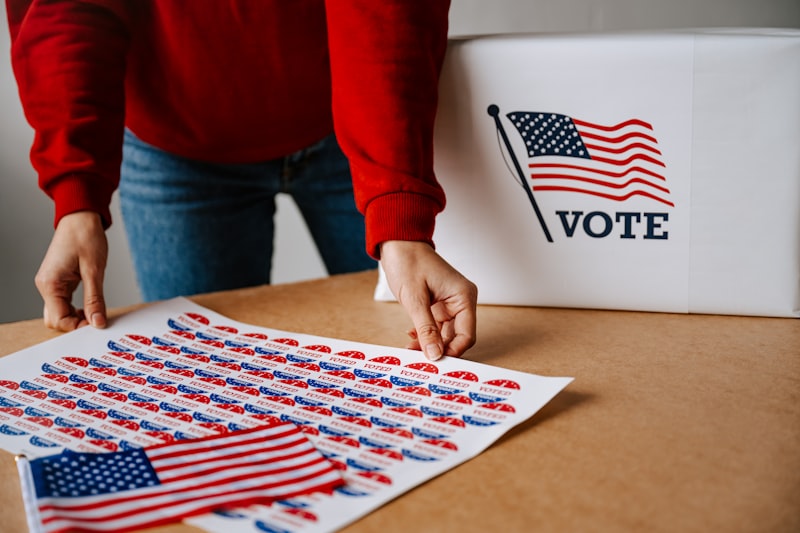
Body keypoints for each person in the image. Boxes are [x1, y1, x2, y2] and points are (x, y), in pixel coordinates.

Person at [7, 0, 477, 361]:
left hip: (357, 121)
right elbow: (68, 10)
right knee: (198, 381)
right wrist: (77, 196)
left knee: (411, 345)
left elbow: (382, 12)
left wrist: (399, 212)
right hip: (176, 140)